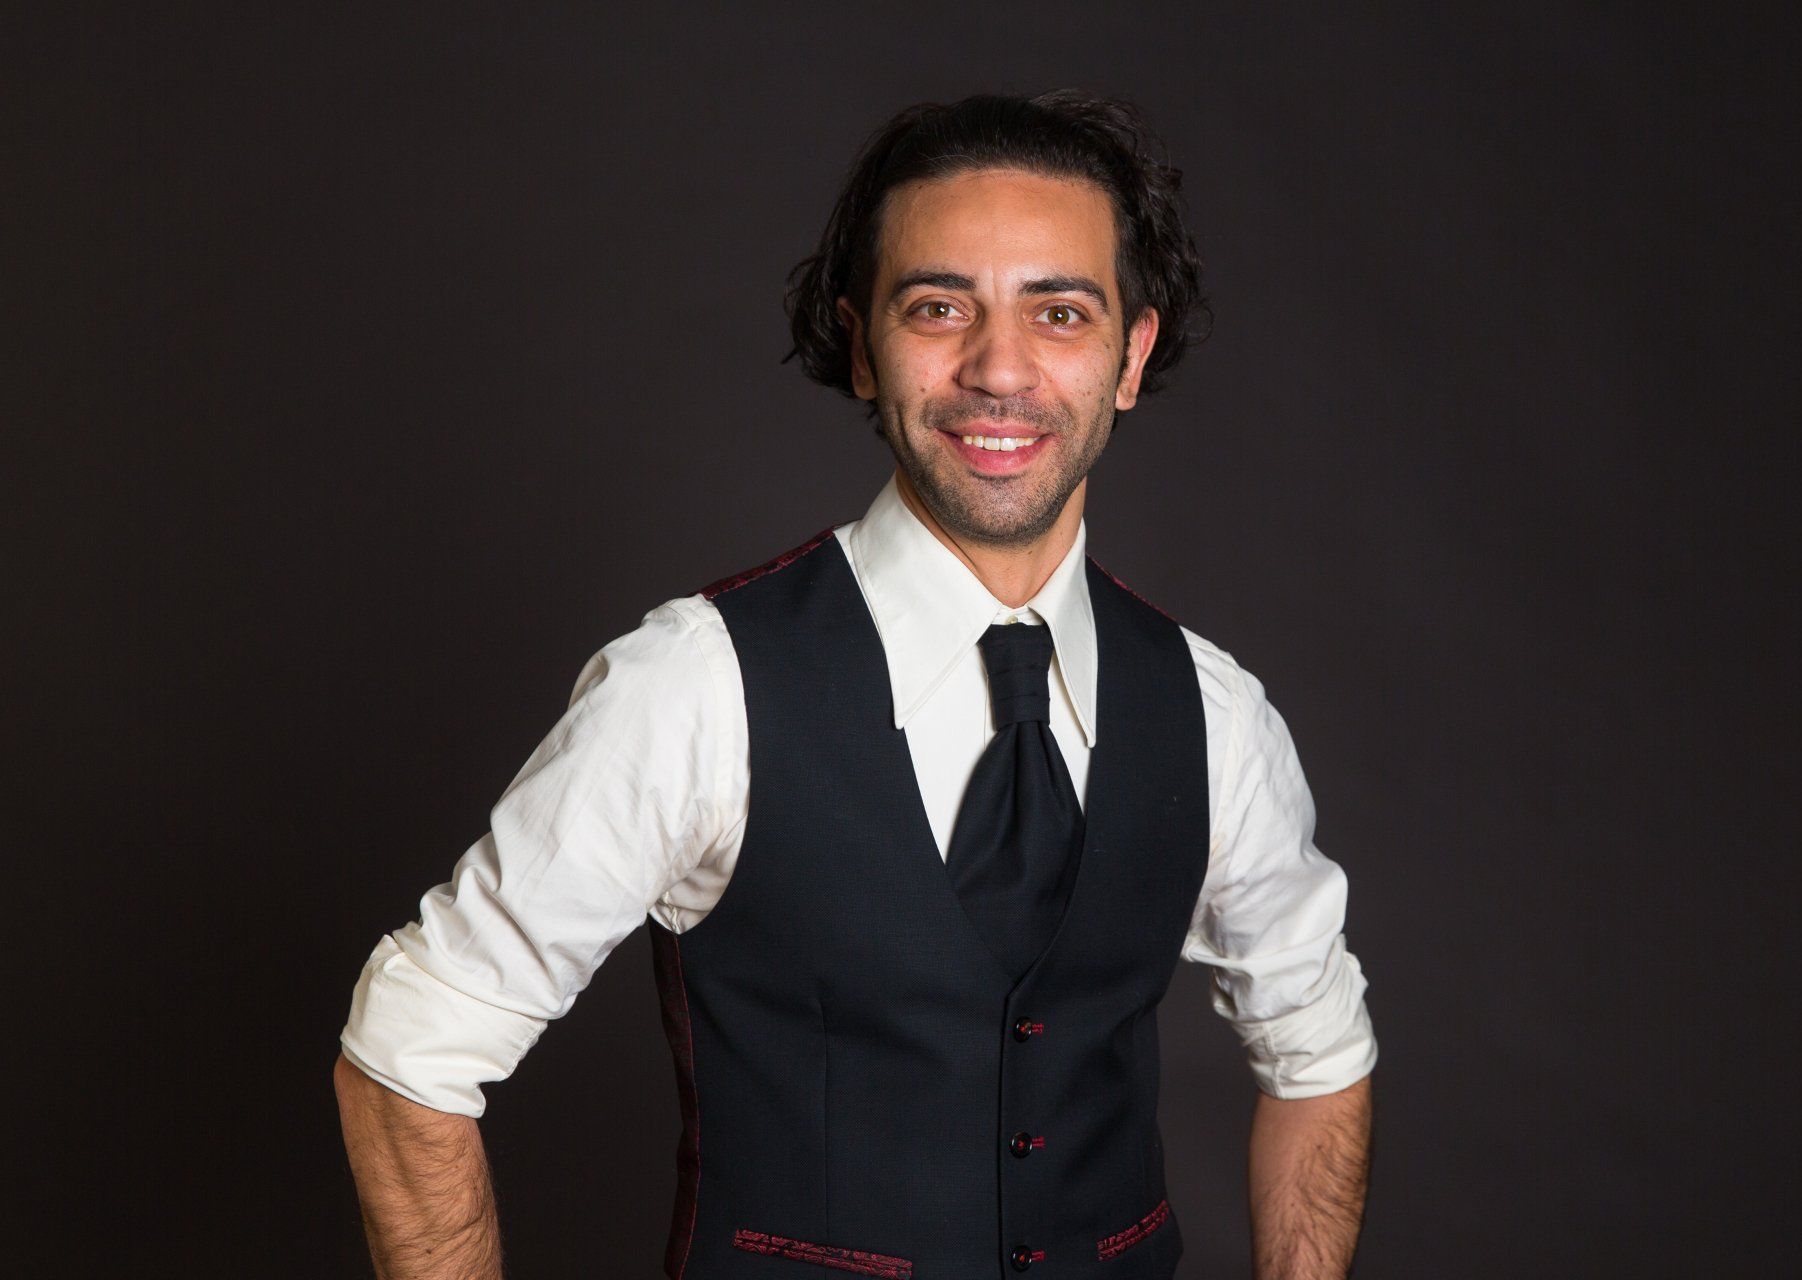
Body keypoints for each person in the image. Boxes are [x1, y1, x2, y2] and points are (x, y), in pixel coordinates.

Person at [334, 89, 1378, 1280]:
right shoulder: (696, 685)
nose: (1000, 368)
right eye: (939, 307)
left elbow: (1320, 1051)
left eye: (1059, 312)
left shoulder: (1214, 712)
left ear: (1130, 356)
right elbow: (406, 1053)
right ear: (862, 347)